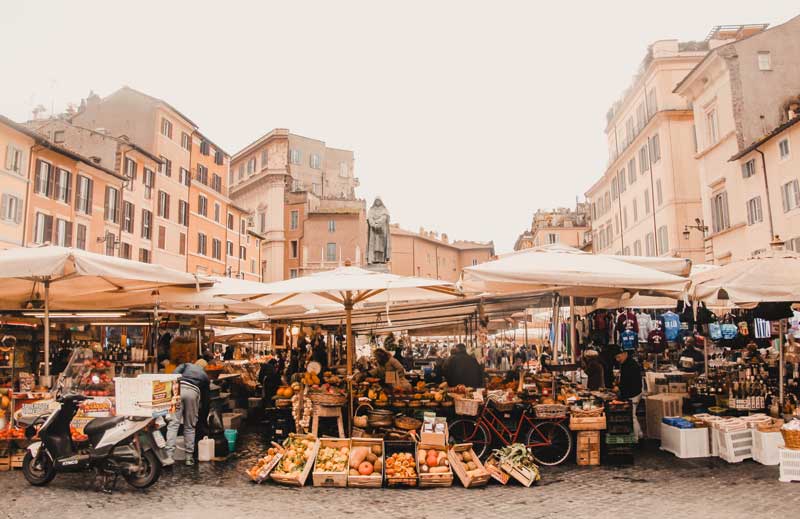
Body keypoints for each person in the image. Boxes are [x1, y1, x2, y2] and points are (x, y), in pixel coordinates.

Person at [166, 360, 210, 466]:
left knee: (173, 424)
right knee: (190, 426)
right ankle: (189, 458)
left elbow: (173, 375)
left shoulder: (186, 365)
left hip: (179, 391)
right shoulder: (204, 376)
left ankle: (168, 456)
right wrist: (203, 416)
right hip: (193, 393)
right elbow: (206, 399)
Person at [614, 348, 643, 439]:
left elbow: (627, 381)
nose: (618, 360)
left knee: (632, 416)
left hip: (633, 394)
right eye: (616, 358)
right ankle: (639, 434)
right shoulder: (627, 363)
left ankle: (636, 438)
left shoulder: (630, 365)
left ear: (625, 354)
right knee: (633, 415)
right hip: (635, 392)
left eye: (619, 357)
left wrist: (619, 387)